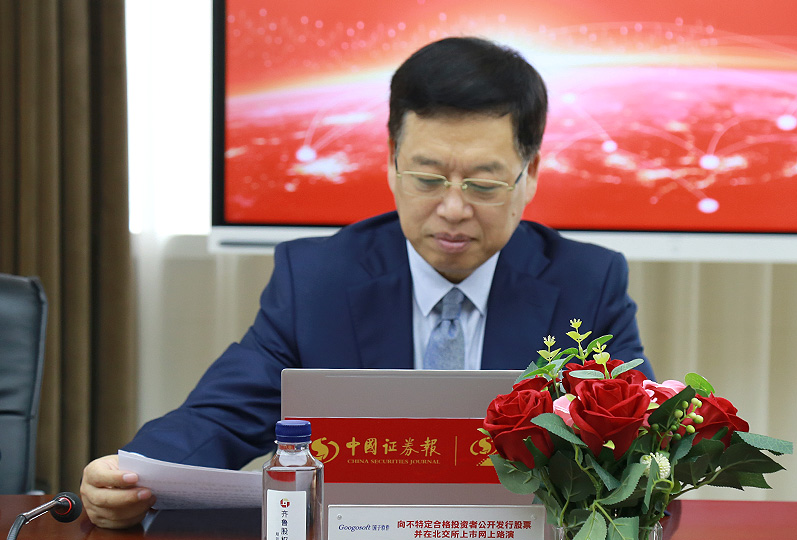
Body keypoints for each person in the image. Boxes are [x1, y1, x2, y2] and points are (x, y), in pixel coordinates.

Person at [80, 36, 653, 528]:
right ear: (390, 163)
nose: (453, 209)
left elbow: (641, 448)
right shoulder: (317, 279)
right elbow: (222, 415)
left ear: (530, 175)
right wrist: (133, 474)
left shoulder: (587, 283)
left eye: (483, 184)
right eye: (427, 177)